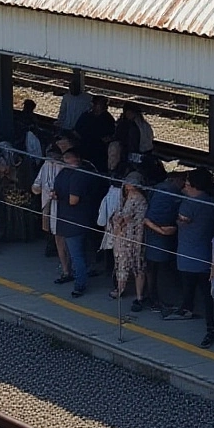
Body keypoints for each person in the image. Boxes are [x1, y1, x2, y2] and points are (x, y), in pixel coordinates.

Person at [167, 169, 214, 348]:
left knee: (188, 284)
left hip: (187, 252)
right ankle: (210, 324)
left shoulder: (188, 205)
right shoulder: (213, 203)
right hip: (206, 254)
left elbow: (180, 222)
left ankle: (187, 308)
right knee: (207, 293)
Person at [53, 149, 105, 298]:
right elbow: (73, 200)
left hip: (67, 219)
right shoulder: (83, 174)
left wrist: (58, 196)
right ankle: (82, 279)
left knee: (75, 254)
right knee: (80, 253)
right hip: (81, 218)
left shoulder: (63, 174)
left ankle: (79, 281)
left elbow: (68, 198)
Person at [144, 171, 185, 312]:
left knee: (153, 270)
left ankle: (153, 297)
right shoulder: (171, 193)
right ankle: (157, 300)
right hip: (162, 239)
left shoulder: (158, 189)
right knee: (159, 271)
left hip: (153, 239)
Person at [109, 171, 149, 310]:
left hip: (128, 237)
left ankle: (120, 290)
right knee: (138, 266)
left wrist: (117, 220)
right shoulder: (138, 198)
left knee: (123, 264)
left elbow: (122, 217)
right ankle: (139, 296)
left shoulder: (134, 198)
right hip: (136, 237)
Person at [74, 96, 115, 171]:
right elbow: (76, 131)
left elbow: (109, 137)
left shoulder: (108, 119)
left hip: (99, 151)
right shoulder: (86, 115)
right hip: (84, 147)